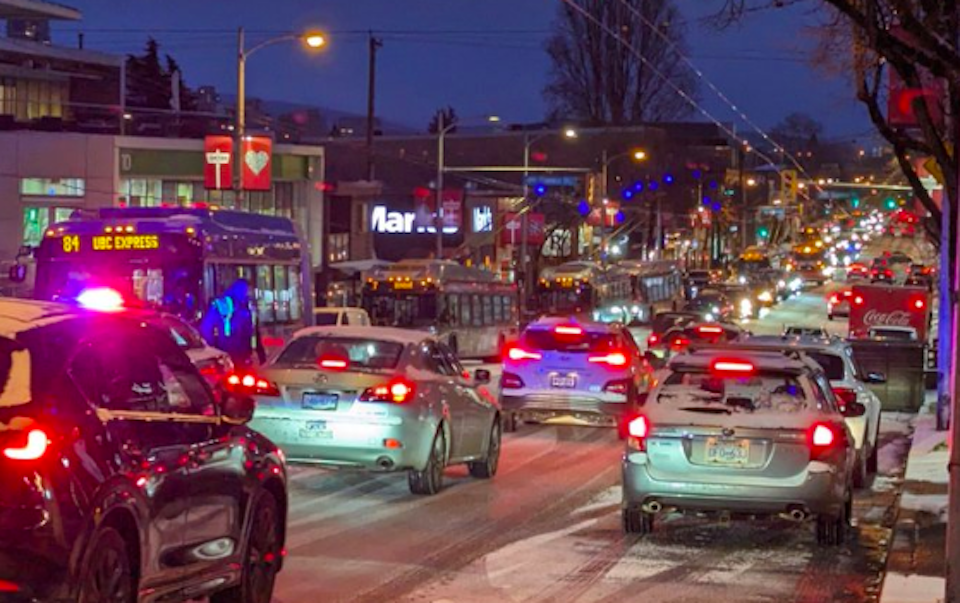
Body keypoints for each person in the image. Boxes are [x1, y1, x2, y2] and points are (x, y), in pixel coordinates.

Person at [200, 279, 266, 369]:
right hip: (226, 355)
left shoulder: (250, 307)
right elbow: (206, 328)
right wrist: (214, 348)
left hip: (245, 355)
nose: (245, 293)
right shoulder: (222, 305)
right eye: (243, 290)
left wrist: (261, 355)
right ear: (235, 290)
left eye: (247, 291)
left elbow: (255, 332)